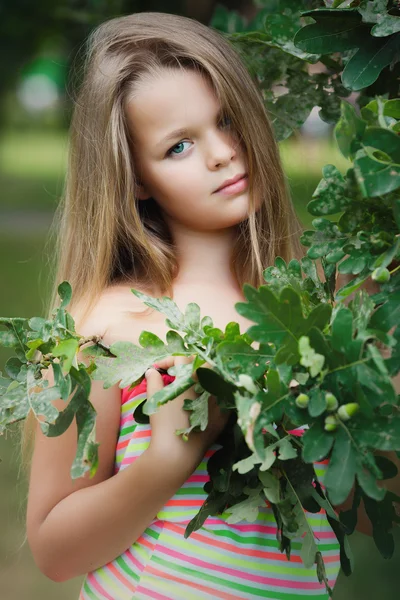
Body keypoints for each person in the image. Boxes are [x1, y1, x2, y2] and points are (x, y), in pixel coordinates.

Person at [23, 11, 340, 599]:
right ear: (135, 177)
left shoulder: (316, 309)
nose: (222, 153)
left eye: (228, 120)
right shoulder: (98, 328)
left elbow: (350, 513)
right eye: (180, 146)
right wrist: (167, 460)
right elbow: (52, 551)